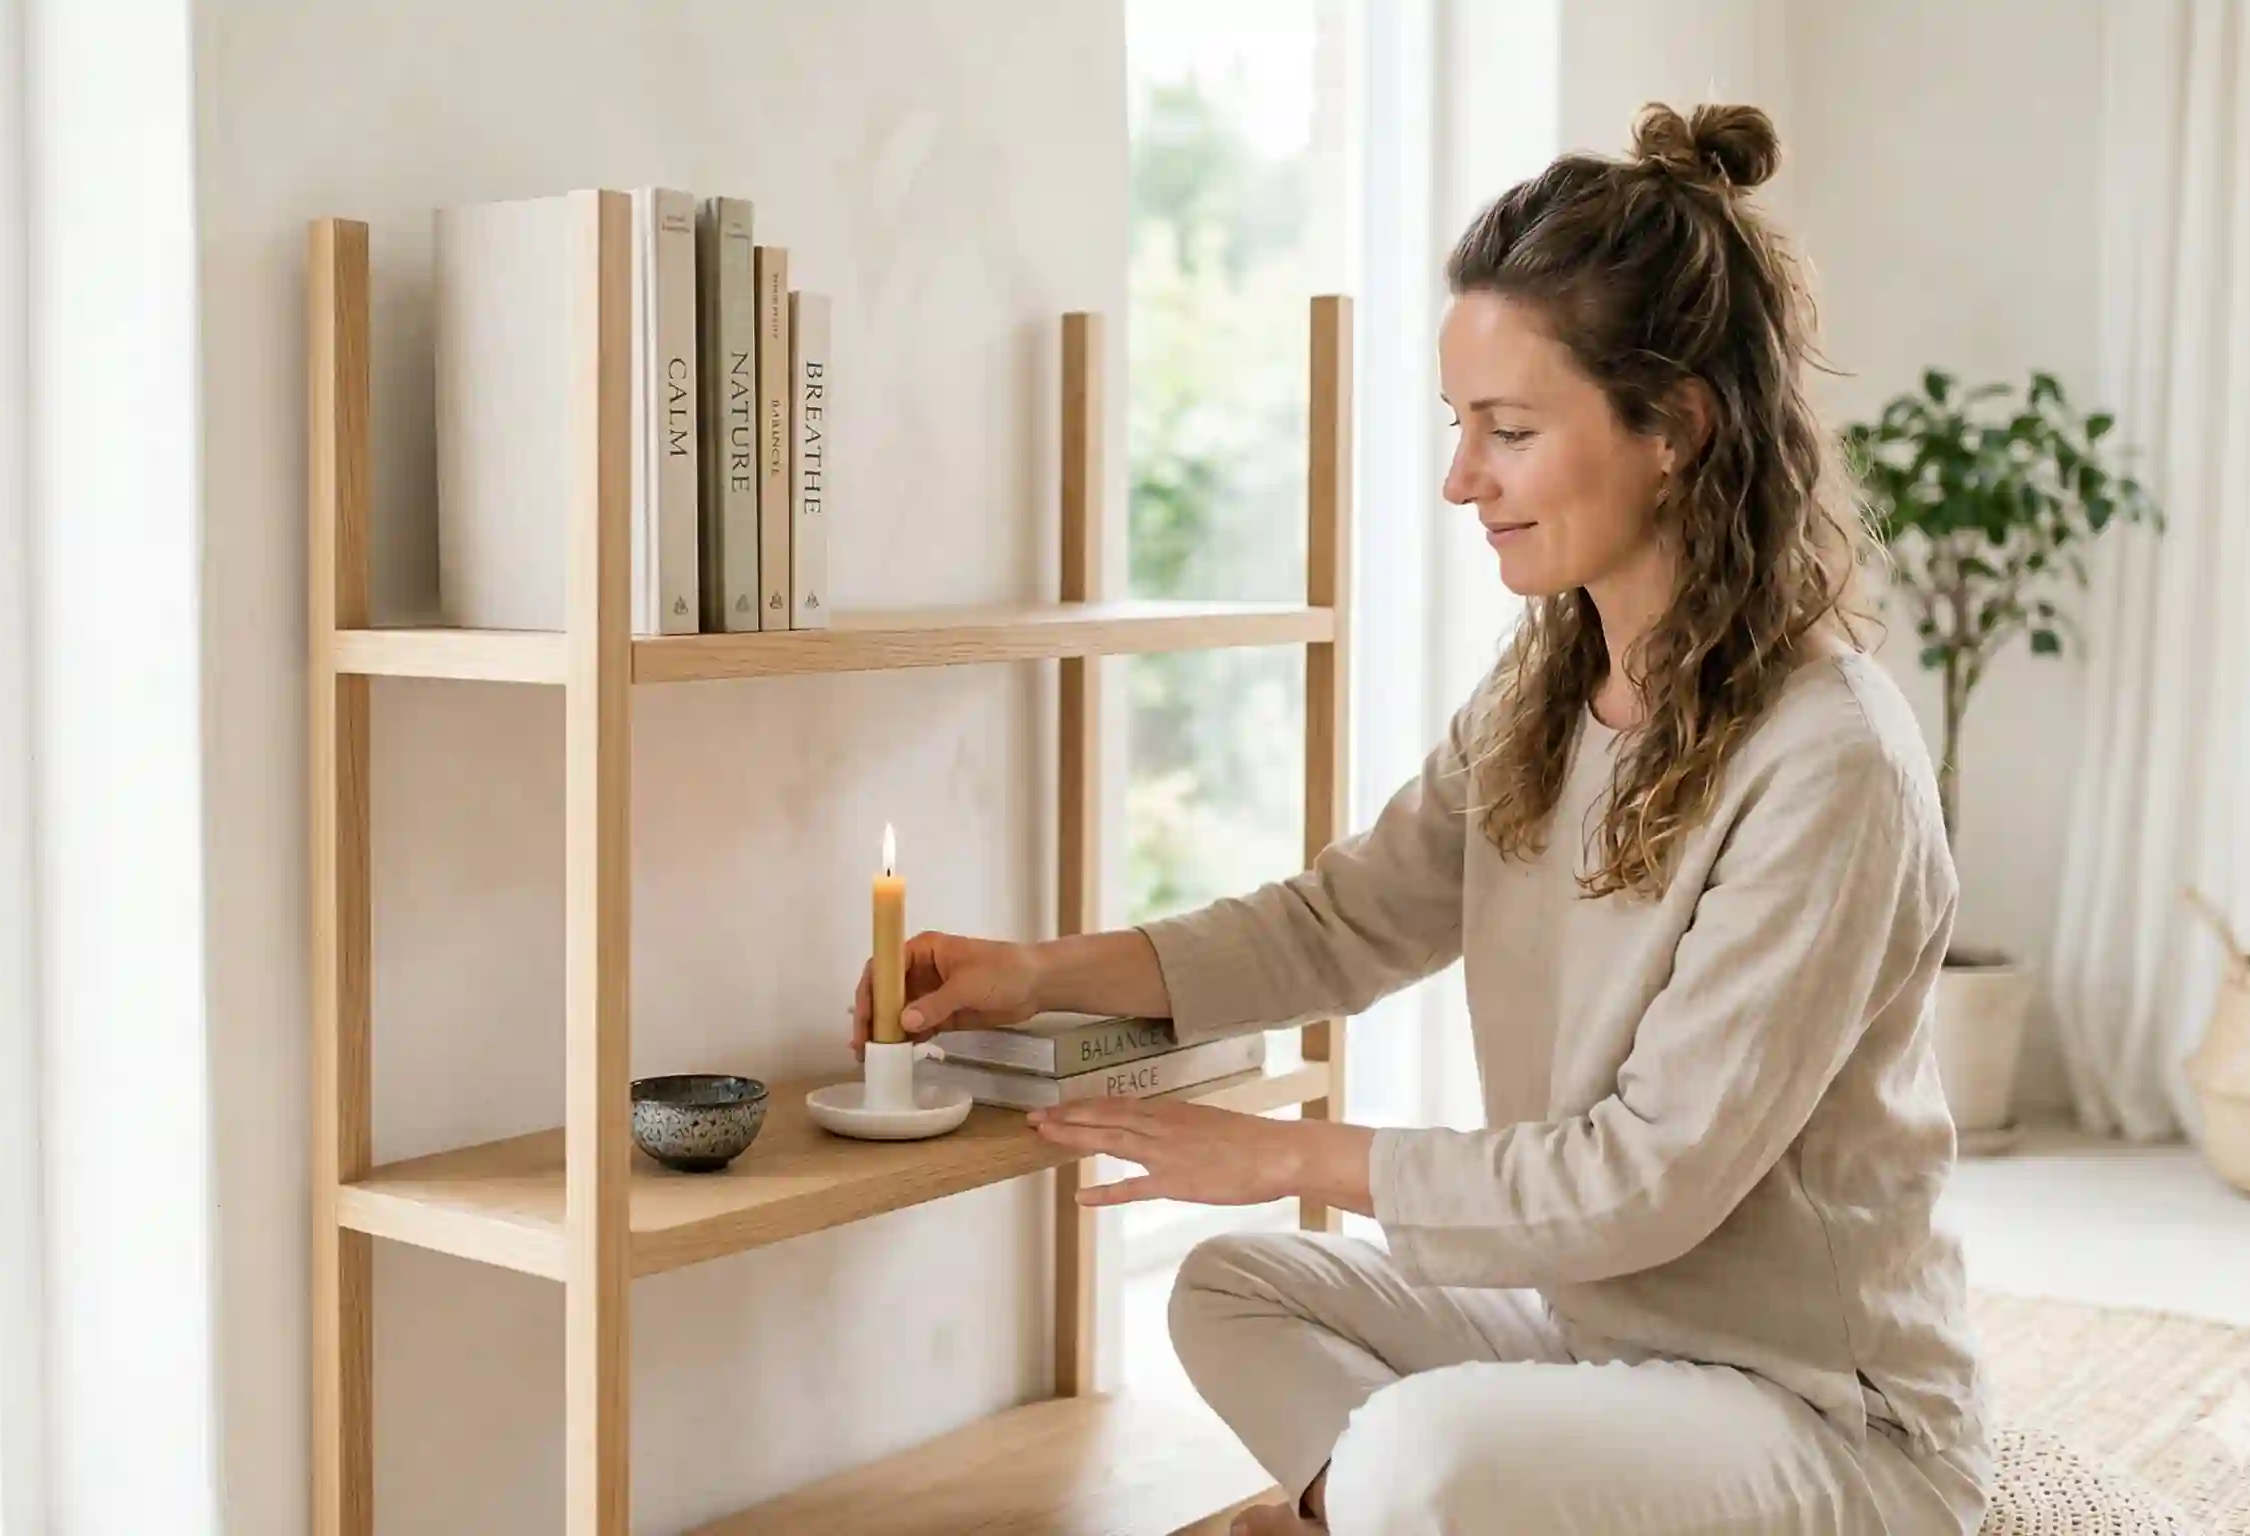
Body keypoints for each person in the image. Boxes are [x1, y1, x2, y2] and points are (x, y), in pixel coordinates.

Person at [849, 102, 1989, 1534]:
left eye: (1509, 431)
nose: (1462, 479)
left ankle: (1379, 1509)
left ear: (1676, 429)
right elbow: (1339, 924)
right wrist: (1039, 973)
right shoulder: (1550, 685)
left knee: (1422, 1455)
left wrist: (1289, 1154)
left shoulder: (1833, 764)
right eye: (1463, 428)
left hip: (1823, 1416)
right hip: (1601, 1340)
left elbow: (1648, 1182)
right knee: (1233, 1290)